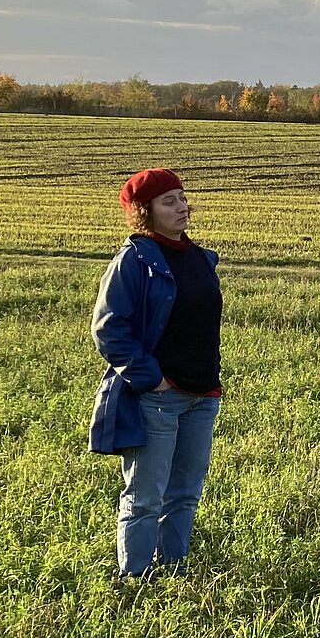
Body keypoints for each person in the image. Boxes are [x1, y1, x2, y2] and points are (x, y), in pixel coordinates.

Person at [89, 168, 224, 579]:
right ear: (144, 211)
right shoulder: (134, 260)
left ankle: (174, 571)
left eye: (182, 198)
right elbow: (109, 328)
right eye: (169, 201)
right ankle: (134, 579)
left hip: (203, 395)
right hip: (159, 398)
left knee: (185, 493)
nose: (182, 207)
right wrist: (151, 378)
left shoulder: (200, 257)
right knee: (146, 496)